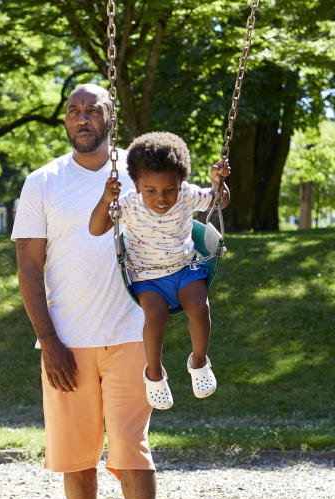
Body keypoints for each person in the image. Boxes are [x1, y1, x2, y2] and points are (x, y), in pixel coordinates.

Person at [11, 83, 163, 499]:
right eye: (73, 110)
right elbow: (29, 265)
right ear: (67, 120)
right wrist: (48, 339)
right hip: (67, 341)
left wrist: (219, 191)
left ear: (110, 116)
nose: (81, 118)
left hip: (128, 333)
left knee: (130, 451)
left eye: (91, 109)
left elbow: (186, 206)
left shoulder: (138, 170)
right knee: (77, 459)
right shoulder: (44, 182)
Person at [89, 131, 230, 410]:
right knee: (155, 314)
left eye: (169, 189)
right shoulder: (128, 204)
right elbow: (95, 229)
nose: (161, 198)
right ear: (138, 186)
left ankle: (199, 361)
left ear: (181, 183)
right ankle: (154, 374)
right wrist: (107, 200)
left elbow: (218, 201)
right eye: (151, 190)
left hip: (185, 267)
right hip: (147, 276)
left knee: (200, 308)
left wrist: (218, 183)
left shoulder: (188, 195)